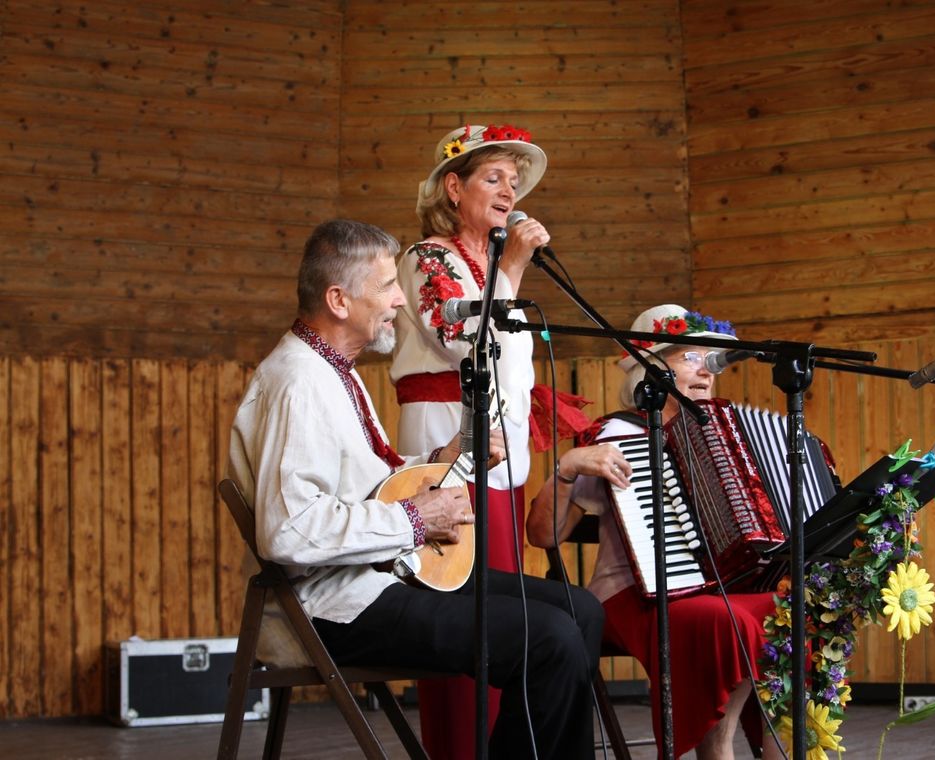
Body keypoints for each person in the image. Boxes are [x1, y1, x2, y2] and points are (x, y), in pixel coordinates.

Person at [229, 219, 603, 758]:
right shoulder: (297, 383)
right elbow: (289, 531)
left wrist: (438, 460)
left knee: (581, 610)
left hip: (380, 576)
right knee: (551, 637)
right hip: (336, 605)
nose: (402, 300)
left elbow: (364, 479)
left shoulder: (334, 369)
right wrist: (414, 519)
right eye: (386, 286)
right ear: (338, 299)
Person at [526, 304, 783, 760]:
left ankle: (776, 751)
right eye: (689, 357)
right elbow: (543, 536)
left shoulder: (728, 438)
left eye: (711, 361)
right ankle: (717, 750)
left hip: (716, 588)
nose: (705, 371)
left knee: (788, 608)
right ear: (650, 370)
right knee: (727, 620)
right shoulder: (618, 435)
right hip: (632, 594)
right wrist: (565, 470)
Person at [390, 122, 575, 757]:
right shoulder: (427, 258)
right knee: (461, 609)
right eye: (493, 178)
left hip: (500, 460)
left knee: (505, 612)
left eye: (513, 182)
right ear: (453, 186)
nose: (508, 191)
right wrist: (514, 269)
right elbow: (458, 337)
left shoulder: (490, 266)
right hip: (446, 449)